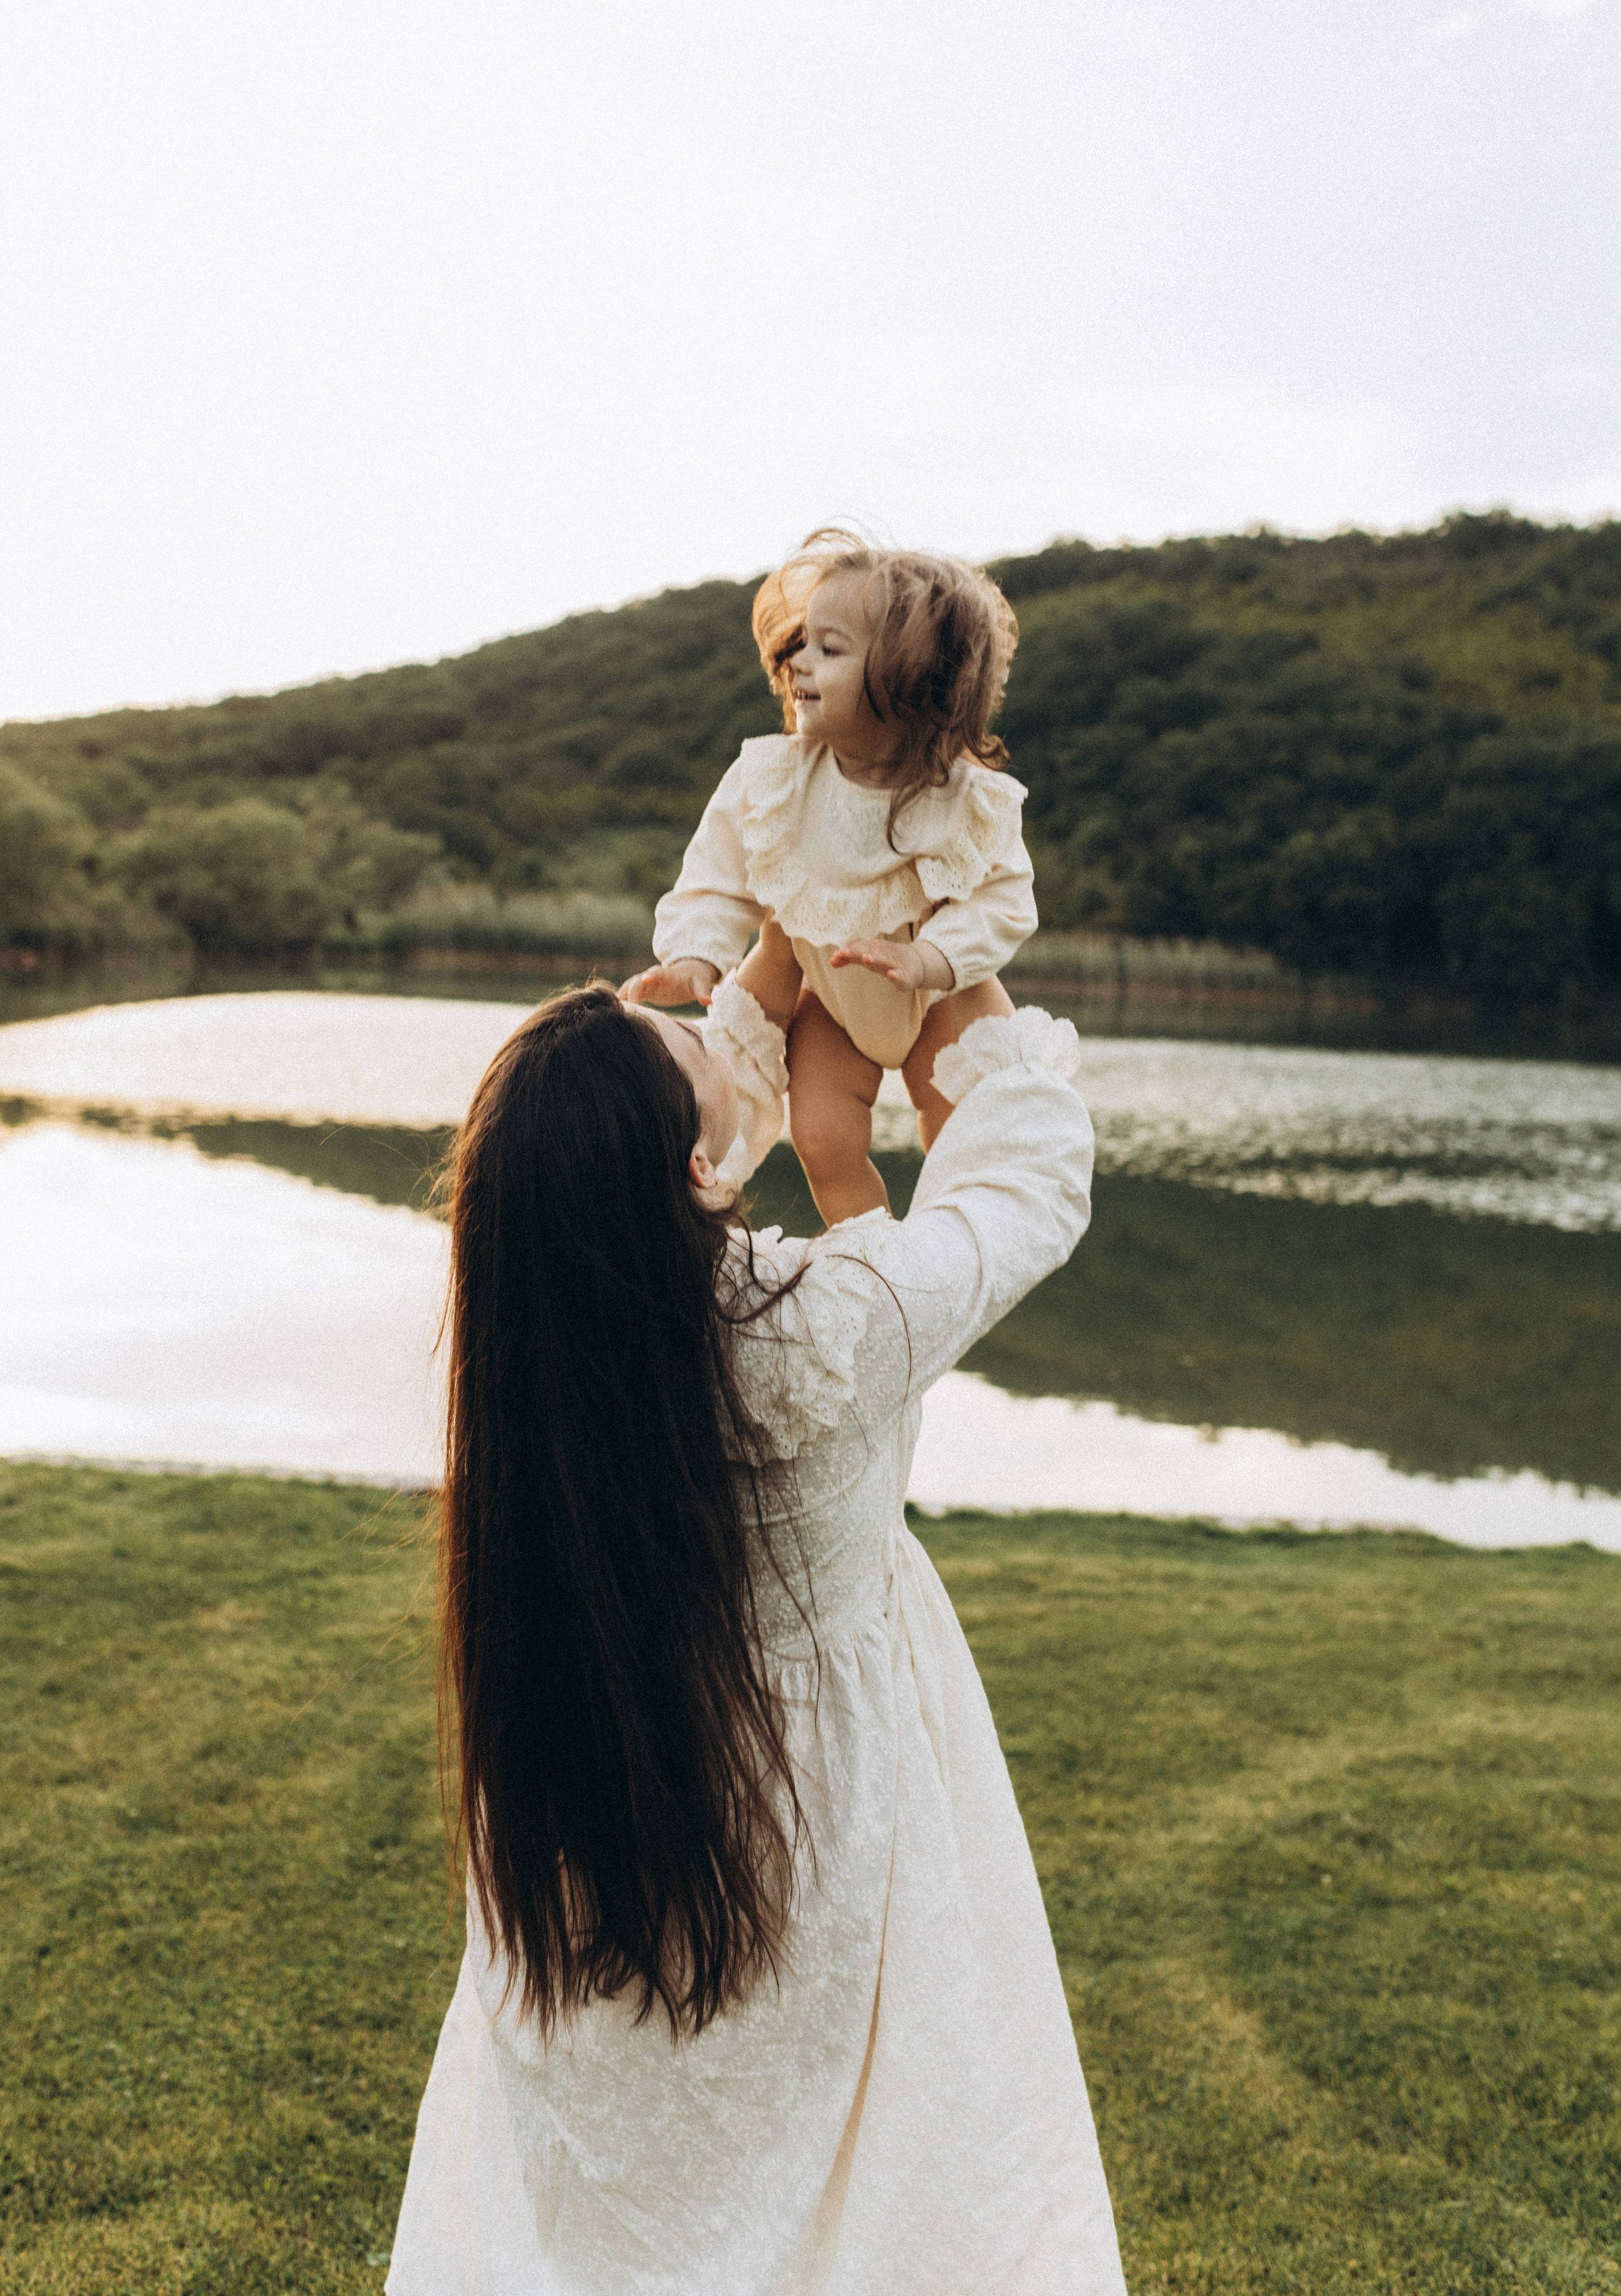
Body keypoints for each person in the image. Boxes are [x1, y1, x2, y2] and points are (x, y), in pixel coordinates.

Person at [386, 972, 1127, 2295]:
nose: (679, 1003)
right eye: (681, 1035)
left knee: (623, 2219)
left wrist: (730, 1002)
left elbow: (608, 1149)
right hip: (803, 1839)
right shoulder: (820, 1333)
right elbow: (1023, 1191)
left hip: (596, 1824)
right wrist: (969, 1000)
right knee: (840, 2194)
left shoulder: (541, 1337)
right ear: (687, 1163)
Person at [624, 528, 1038, 1225]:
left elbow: (1003, 901)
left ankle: (946, 1248)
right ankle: (870, 1262)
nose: (798, 664)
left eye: (829, 649)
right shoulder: (775, 778)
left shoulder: (964, 799)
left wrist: (929, 957)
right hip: (837, 1002)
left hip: (942, 998)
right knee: (821, 1139)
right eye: (800, 643)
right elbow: (718, 871)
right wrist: (697, 954)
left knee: (961, 1131)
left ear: (908, 680)